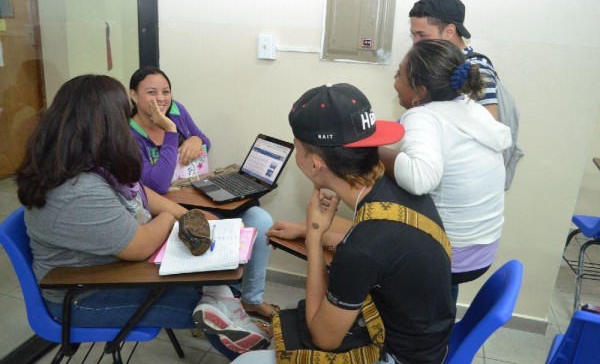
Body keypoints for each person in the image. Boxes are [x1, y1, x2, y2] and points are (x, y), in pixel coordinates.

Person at [15, 75, 269, 354]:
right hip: (86, 295)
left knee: (218, 293)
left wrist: (189, 213)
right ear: (105, 124)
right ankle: (254, 355)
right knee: (212, 306)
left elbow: (143, 193)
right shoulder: (78, 189)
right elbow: (140, 245)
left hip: (110, 269)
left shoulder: (88, 162)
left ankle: (248, 346)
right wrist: (174, 220)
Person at [235, 83, 456, 364]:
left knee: (245, 361)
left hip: (400, 356)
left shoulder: (361, 249)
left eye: (297, 148)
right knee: (293, 313)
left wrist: (314, 237)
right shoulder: (398, 189)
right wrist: (305, 229)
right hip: (429, 339)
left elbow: (324, 338)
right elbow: (385, 252)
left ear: (315, 164)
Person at [128, 67, 278, 321]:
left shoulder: (177, 110)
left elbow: (204, 141)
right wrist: (170, 132)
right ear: (133, 95)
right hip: (163, 208)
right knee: (212, 229)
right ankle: (213, 303)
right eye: (151, 93)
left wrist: (196, 140)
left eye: (166, 91)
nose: (161, 99)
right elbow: (158, 183)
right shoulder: (129, 134)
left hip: (197, 193)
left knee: (261, 221)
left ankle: (251, 299)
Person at [379, 39, 512, 301]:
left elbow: (419, 179)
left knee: (362, 246)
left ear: (420, 91)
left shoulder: (423, 116)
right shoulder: (472, 108)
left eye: (399, 73)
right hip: (481, 250)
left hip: (450, 255)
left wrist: (375, 151)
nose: (394, 81)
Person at [408, 0, 500, 121]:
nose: (415, 42)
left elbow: (491, 126)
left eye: (422, 35)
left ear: (449, 32)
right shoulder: (439, 64)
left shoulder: (475, 67)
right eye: (413, 34)